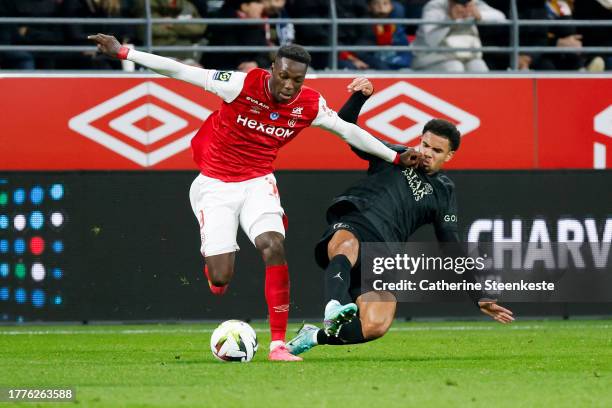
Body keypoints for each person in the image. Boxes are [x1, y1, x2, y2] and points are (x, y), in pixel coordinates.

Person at [88, 33, 421, 361]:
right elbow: (180, 71)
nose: (289, 85)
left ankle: (278, 345)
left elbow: (349, 131)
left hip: (258, 183)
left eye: (298, 79)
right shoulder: (240, 85)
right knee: (221, 277)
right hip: (215, 186)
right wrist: (124, 52)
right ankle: (214, 271)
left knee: (273, 245)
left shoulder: (309, 104)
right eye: (284, 76)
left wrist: (394, 156)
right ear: (273, 68)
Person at [286, 80, 514, 355]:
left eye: (437, 150)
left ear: (450, 156)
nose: (427, 153)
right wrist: (360, 97)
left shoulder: (443, 192)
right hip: (359, 219)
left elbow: (450, 245)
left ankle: (314, 337)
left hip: (386, 249)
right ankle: (332, 307)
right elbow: (346, 127)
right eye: (425, 144)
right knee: (347, 245)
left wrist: (478, 295)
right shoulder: (395, 154)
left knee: (375, 326)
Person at [411, 0, 505, 72]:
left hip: (466, 57)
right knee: (455, 67)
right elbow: (431, 40)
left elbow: (500, 17)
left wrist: (479, 15)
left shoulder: (473, 4)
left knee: (478, 66)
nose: (463, 6)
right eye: (458, 2)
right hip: (430, 59)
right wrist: (450, 19)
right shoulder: (434, 6)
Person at [344, 0, 412, 70]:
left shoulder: (396, 27)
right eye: (376, 4)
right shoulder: (365, 24)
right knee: (382, 66)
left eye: (385, 4)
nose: (381, 7)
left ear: (391, 7)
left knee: (405, 68)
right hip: (371, 58)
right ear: (369, 7)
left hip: (392, 60)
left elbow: (404, 51)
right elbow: (362, 52)